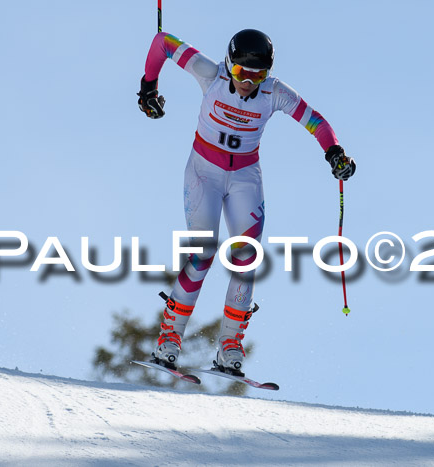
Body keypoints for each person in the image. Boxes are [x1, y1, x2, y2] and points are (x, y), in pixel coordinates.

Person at [138, 29, 356, 376]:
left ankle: (230, 345)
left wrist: (334, 153)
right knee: (203, 254)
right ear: (229, 65)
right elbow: (162, 42)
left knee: (246, 256)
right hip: (203, 173)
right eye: (241, 73)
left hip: (244, 178)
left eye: (258, 75)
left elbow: (315, 121)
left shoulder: (274, 93)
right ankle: (170, 338)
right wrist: (148, 87)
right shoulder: (210, 74)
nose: (248, 82)